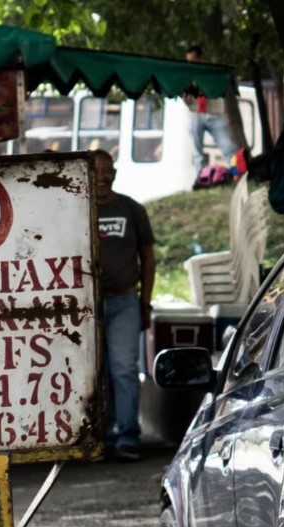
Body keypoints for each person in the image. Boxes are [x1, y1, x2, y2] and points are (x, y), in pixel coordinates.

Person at [92, 151, 157, 461]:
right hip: (87, 306)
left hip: (125, 300)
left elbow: (148, 257)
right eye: (97, 170)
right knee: (95, 372)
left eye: (108, 170)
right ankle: (100, 437)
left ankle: (128, 436)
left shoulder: (132, 209)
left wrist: (145, 302)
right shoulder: (78, 208)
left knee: (124, 369)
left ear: (115, 173)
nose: (103, 177)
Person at [183, 45, 236, 186]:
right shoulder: (186, 75)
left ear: (201, 58)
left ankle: (237, 175)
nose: (191, 64)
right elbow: (185, 97)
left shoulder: (211, 72)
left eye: (194, 60)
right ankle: (201, 179)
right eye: (188, 61)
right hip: (195, 113)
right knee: (196, 149)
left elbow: (221, 88)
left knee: (228, 146)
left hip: (214, 112)